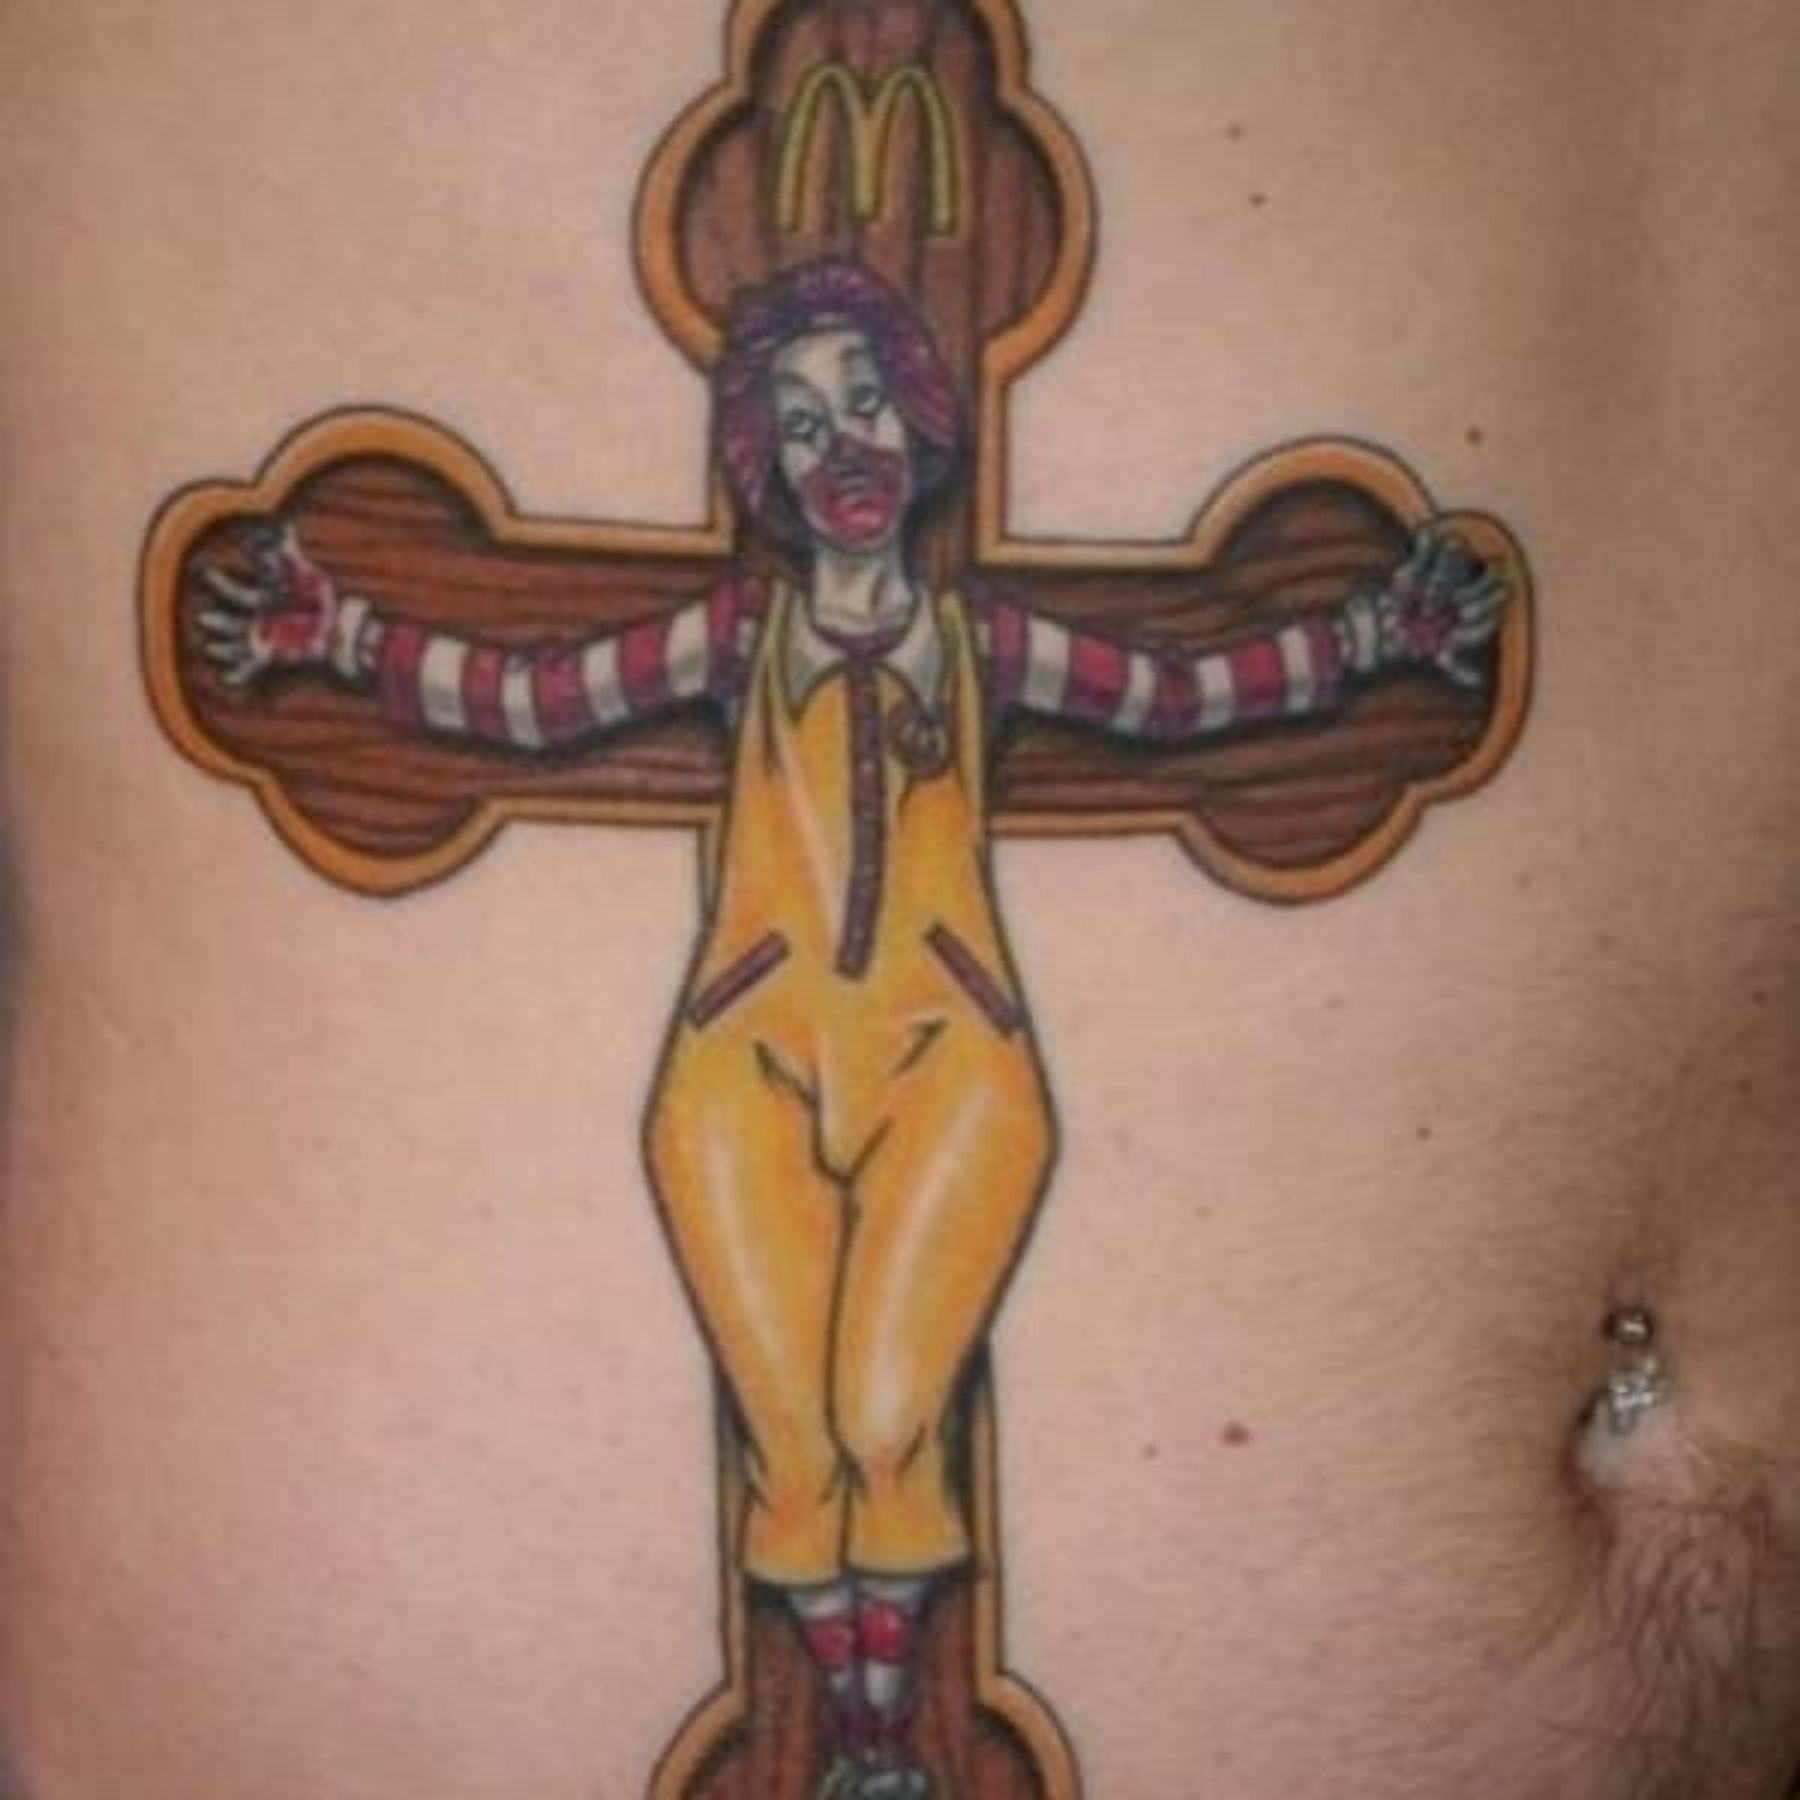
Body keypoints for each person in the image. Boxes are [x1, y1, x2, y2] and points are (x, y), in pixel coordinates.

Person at [197, 257, 1506, 1800]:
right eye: (805, 424)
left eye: (866, 402)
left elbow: (1179, 697)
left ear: (920, 417)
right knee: (793, 1442)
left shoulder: (982, 641)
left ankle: (883, 1741)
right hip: (737, 1070)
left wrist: (1373, 634)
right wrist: (341, 631)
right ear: (771, 462)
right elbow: (533, 701)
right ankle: (869, 1742)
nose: (845, 447)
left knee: (891, 1416)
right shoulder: (736, 633)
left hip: (956, 1066)